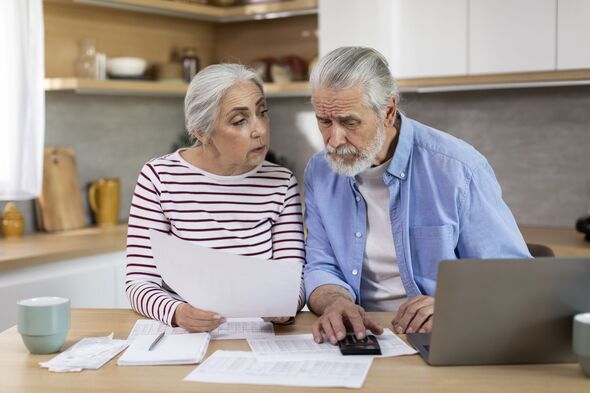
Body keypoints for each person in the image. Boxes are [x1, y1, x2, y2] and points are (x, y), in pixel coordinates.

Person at [303, 47, 530, 344]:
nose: (334, 139)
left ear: (388, 111)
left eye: (349, 122)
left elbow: (516, 278)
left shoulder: (458, 168)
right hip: (359, 338)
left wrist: (455, 308)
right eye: (324, 121)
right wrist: (334, 302)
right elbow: (321, 265)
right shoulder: (320, 172)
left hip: (443, 336)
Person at [125, 64, 305, 332]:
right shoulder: (158, 177)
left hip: (260, 335)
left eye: (262, 112)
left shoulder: (281, 182)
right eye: (239, 120)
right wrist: (177, 312)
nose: (259, 130)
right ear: (202, 132)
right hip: (187, 335)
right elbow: (139, 282)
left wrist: (285, 307)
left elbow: (295, 277)